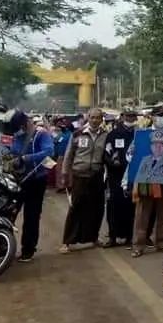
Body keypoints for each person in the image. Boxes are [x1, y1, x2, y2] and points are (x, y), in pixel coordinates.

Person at [7, 111, 54, 262]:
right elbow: (6, 148)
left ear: (26, 122)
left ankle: (28, 250)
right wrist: (6, 155)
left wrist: (26, 159)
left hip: (35, 179)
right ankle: (3, 246)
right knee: (8, 213)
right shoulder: (12, 134)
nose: (17, 130)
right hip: (15, 179)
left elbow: (48, 151)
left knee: (31, 216)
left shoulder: (41, 134)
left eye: (18, 127)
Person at [60, 108, 109, 253]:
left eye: (98, 118)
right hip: (79, 175)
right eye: (92, 117)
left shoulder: (106, 135)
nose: (95, 120)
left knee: (97, 209)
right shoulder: (78, 133)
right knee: (75, 208)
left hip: (97, 175)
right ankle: (67, 242)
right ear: (88, 118)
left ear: (101, 119)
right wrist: (64, 173)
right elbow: (69, 155)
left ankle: (93, 237)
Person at [128, 112, 163, 257]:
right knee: (142, 214)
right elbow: (130, 159)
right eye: (155, 144)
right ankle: (138, 245)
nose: (158, 147)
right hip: (145, 184)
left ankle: (162, 242)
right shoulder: (144, 156)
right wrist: (132, 152)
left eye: (161, 145)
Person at [102, 109, 136, 247]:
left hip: (133, 175)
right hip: (116, 176)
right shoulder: (113, 134)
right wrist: (111, 162)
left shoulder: (138, 134)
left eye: (133, 116)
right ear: (122, 117)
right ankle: (113, 237)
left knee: (131, 207)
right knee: (113, 206)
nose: (131, 118)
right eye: (128, 116)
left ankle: (129, 236)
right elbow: (106, 153)